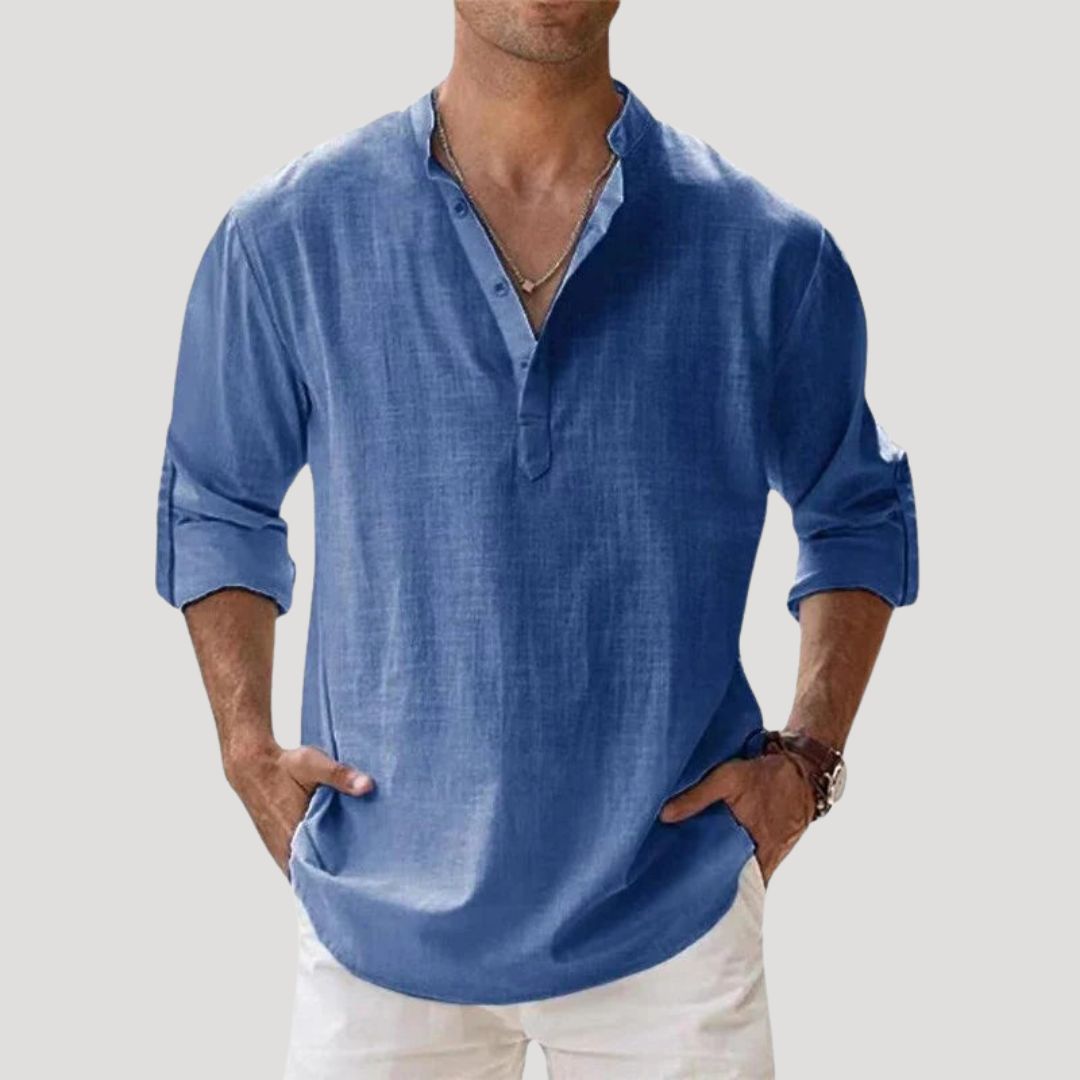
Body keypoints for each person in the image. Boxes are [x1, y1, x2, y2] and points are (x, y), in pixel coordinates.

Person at [155, 2, 919, 1076]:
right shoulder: (289, 237)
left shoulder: (768, 253)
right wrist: (246, 748)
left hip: (672, 924)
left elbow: (856, 513)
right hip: (377, 923)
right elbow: (216, 499)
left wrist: (809, 762)